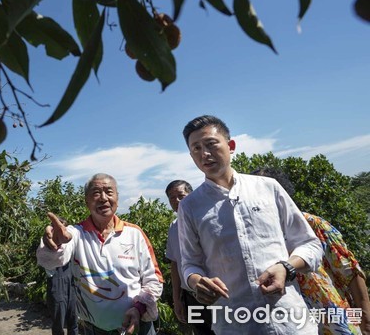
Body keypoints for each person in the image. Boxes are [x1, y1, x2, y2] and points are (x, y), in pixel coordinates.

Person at [178, 115, 323, 334]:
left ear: (231, 146)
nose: (204, 154)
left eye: (211, 144)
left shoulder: (268, 188)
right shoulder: (190, 206)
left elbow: (310, 244)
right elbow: (189, 263)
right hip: (235, 325)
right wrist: (196, 281)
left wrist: (287, 267)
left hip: (290, 323)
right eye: (196, 148)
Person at [36, 173, 164, 335]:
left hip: (138, 326)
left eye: (109, 192)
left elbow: (154, 280)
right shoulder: (75, 234)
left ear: (117, 197)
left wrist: (139, 308)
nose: (103, 198)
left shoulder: (134, 234)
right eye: (96, 193)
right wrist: (53, 244)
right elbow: (49, 261)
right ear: (86, 201)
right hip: (94, 329)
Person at [251, 167, 370, 335]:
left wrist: (366, 322)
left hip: (336, 324)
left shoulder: (313, 225)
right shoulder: (256, 237)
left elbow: (351, 273)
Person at [164, 180, 215, 335]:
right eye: (172, 198)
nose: (177, 201)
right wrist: (177, 299)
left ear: (191, 195)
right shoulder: (173, 227)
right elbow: (175, 264)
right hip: (190, 296)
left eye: (181, 196)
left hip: (213, 292)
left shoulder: (206, 220)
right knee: (201, 332)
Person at [45, 216, 79, 335]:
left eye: (63, 226)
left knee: (73, 318)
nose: (61, 230)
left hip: (71, 283)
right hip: (57, 283)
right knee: (58, 321)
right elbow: (49, 249)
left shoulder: (70, 241)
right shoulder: (48, 241)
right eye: (58, 226)